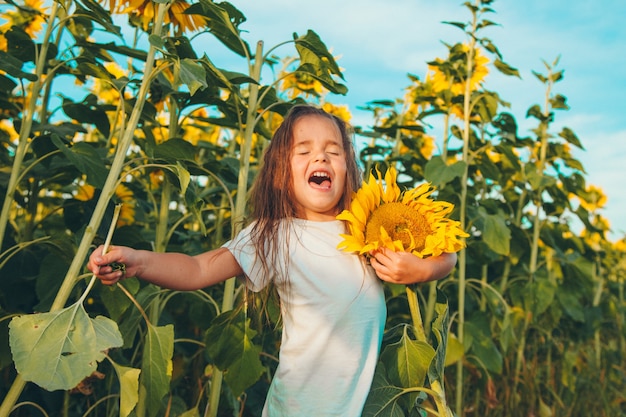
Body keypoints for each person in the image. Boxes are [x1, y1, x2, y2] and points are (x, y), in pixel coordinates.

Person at [88, 104, 457, 416]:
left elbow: (445, 251)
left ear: (347, 167)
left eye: (333, 150)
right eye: (304, 150)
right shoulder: (275, 235)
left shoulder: (365, 226)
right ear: (282, 171)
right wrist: (138, 261)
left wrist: (423, 269)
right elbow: (199, 268)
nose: (321, 157)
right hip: (300, 407)